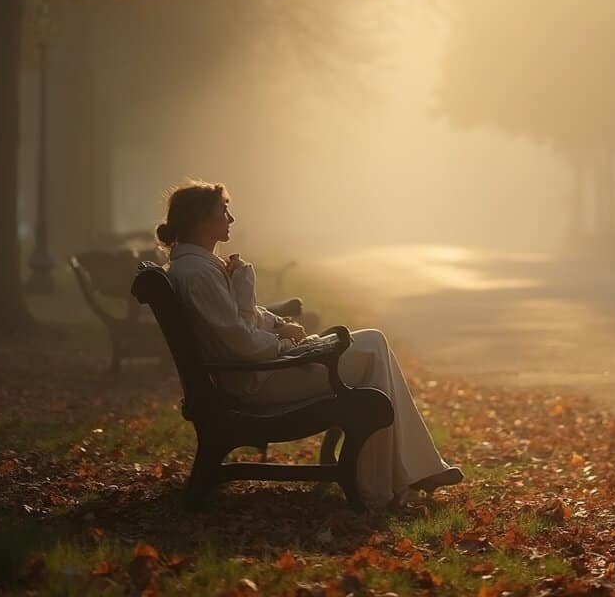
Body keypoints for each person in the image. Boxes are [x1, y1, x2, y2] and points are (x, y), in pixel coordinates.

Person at [157, 179, 463, 507]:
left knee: (374, 345)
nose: (230, 219)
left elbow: (240, 325)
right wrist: (285, 344)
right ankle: (385, 481)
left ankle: (400, 474)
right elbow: (241, 341)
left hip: (256, 372)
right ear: (202, 219)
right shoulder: (199, 274)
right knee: (374, 349)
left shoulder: (199, 266)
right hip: (257, 381)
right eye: (224, 210)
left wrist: (278, 325)